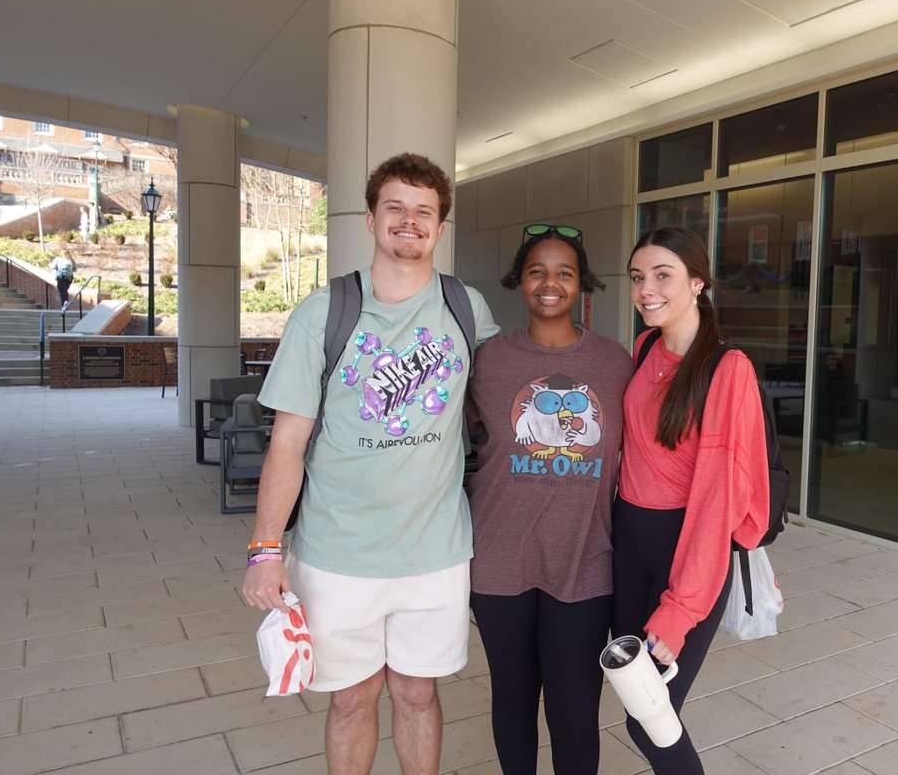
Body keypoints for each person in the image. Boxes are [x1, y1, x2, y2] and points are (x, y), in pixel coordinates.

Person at [240, 152, 499, 775]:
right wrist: (264, 548)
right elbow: (288, 445)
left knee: (418, 694)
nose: (409, 222)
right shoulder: (321, 315)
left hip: (435, 553)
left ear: (440, 229)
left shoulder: (468, 311)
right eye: (396, 208)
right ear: (371, 218)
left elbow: (506, 413)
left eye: (424, 212)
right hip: (338, 554)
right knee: (352, 701)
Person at [464, 225, 633, 775]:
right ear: (520, 281)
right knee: (512, 701)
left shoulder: (615, 364)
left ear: (583, 284)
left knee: (575, 710)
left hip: (584, 562)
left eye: (565, 271)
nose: (550, 282)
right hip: (497, 560)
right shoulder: (486, 361)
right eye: (537, 270)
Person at [613, 226, 769, 774]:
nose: (646, 289)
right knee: (637, 703)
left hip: (685, 552)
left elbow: (717, 503)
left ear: (698, 282)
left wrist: (680, 610)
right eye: (638, 277)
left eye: (663, 275)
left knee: (649, 714)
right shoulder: (644, 347)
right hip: (627, 547)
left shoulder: (728, 370)